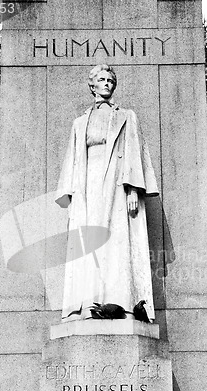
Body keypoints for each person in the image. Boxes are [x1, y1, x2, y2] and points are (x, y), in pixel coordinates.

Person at [56, 64, 159, 321]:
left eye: (110, 80)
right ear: (92, 85)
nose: (106, 84)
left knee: (116, 241)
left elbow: (134, 153)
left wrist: (134, 189)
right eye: (101, 80)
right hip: (87, 185)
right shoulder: (80, 122)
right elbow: (73, 158)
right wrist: (70, 194)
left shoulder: (126, 116)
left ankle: (119, 301)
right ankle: (88, 303)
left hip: (115, 183)